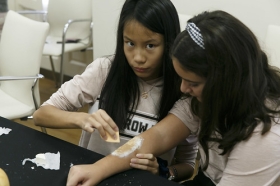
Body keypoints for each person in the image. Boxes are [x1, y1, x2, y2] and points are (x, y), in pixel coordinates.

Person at [66, 10, 280, 186]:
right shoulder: (207, 99)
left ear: (225, 81)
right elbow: (157, 136)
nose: (183, 88)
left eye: (193, 83)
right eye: (181, 78)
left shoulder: (263, 137)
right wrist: (98, 169)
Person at [33, 0, 198, 182]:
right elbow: (41, 114)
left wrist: (164, 171)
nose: (138, 58)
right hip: (91, 175)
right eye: (130, 43)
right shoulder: (104, 70)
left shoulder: (185, 88)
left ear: (169, 42)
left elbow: (188, 165)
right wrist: (81, 118)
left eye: (150, 46)